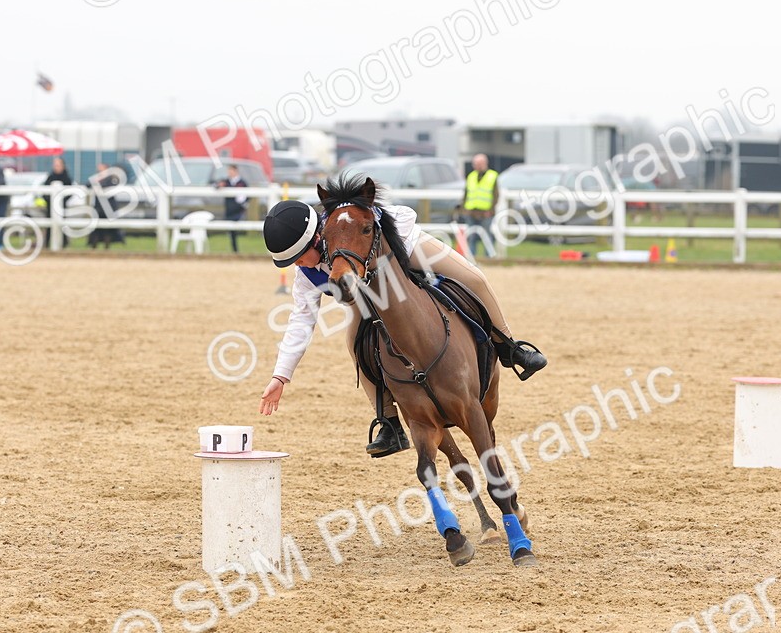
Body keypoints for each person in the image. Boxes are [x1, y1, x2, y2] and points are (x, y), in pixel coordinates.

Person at [258, 176, 547, 457]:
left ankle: (510, 346)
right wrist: (281, 376)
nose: (297, 266)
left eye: (297, 258)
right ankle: (388, 421)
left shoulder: (354, 223)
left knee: (476, 279)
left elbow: (404, 217)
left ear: (316, 239)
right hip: (369, 289)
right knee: (353, 343)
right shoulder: (306, 274)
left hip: (406, 249)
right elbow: (301, 321)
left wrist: (397, 268)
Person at [459, 154, 498, 257]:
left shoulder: (492, 176)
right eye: (475, 164)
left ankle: (489, 257)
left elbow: (496, 195)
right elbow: (466, 194)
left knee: (487, 235)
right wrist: (464, 209)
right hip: (471, 211)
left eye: (479, 164)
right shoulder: (471, 176)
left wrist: (491, 210)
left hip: (486, 212)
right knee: (472, 236)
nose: (476, 166)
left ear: (485, 163)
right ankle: (471, 257)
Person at [87, 163, 124, 249]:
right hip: (98, 208)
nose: (100, 171)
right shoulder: (96, 179)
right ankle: (93, 248)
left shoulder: (112, 179)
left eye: (102, 169)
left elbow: (111, 187)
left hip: (109, 208)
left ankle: (107, 248)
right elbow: (87, 185)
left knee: (108, 231)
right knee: (95, 230)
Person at [40, 157, 73, 248]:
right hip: (50, 206)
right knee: (49, 227)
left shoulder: (67, 178)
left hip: (62, 207)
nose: (56, 167)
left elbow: (70, 193)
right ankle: (47, 245)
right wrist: (50, 201)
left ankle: (64, 244)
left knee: (62, 226)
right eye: (55, 165)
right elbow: (44, 192)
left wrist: (60, 202)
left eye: (58, 165)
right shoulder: (50, 177)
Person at [218, 164, 248, 253]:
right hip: (229, 210)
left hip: (238, 210)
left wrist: (243, 205)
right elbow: (216, 185)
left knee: (235, 230)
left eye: (231, 171)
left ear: (235, 171)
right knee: (231, 231)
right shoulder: (226, 181)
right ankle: (235, 250)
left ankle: (236, 250)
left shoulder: (242, 182)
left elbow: (245, 197)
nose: (229, 173)